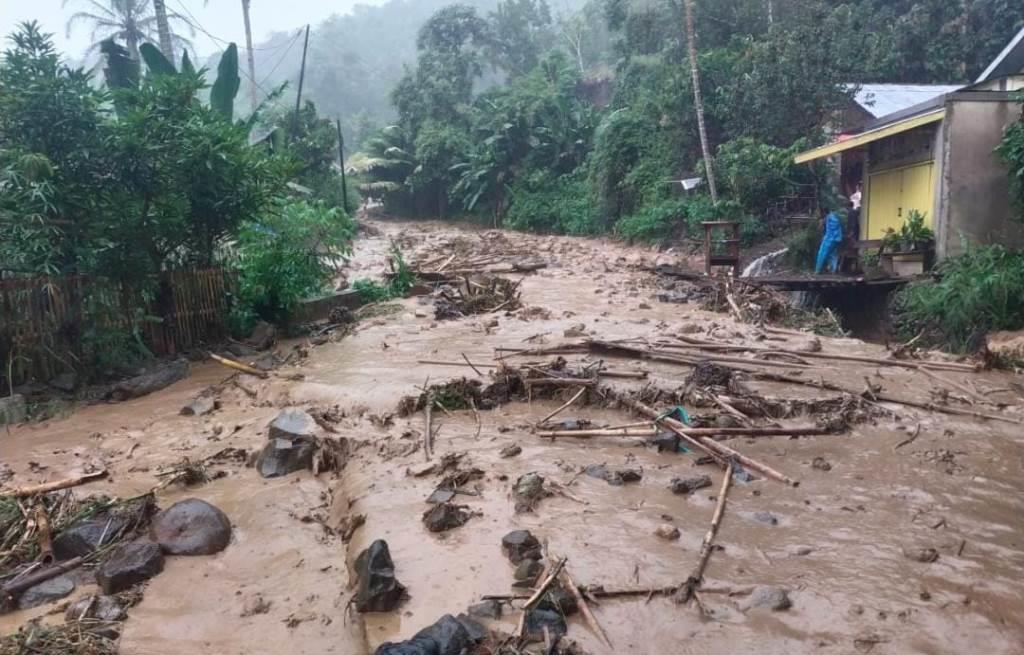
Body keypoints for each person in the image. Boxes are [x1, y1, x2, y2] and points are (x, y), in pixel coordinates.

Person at [815, 204, 845, 274]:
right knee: (833, 254)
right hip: (838, 239)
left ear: (824, 212)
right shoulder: (835, 216)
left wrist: (821, 223)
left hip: (830, 239)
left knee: (822, 253)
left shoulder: (827, 218)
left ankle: (818, 270)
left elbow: (822, 229)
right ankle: (833, 270)